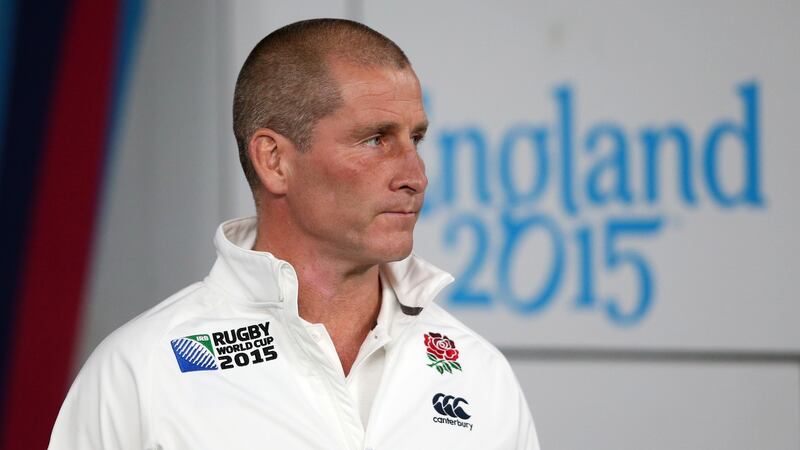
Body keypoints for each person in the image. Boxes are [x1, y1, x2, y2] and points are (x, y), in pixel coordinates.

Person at [49, 19, 540, 449]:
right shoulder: (143, 370)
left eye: (415, 139)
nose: (415, 175)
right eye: (375, 140)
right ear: (274, 161)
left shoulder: (479, 372)